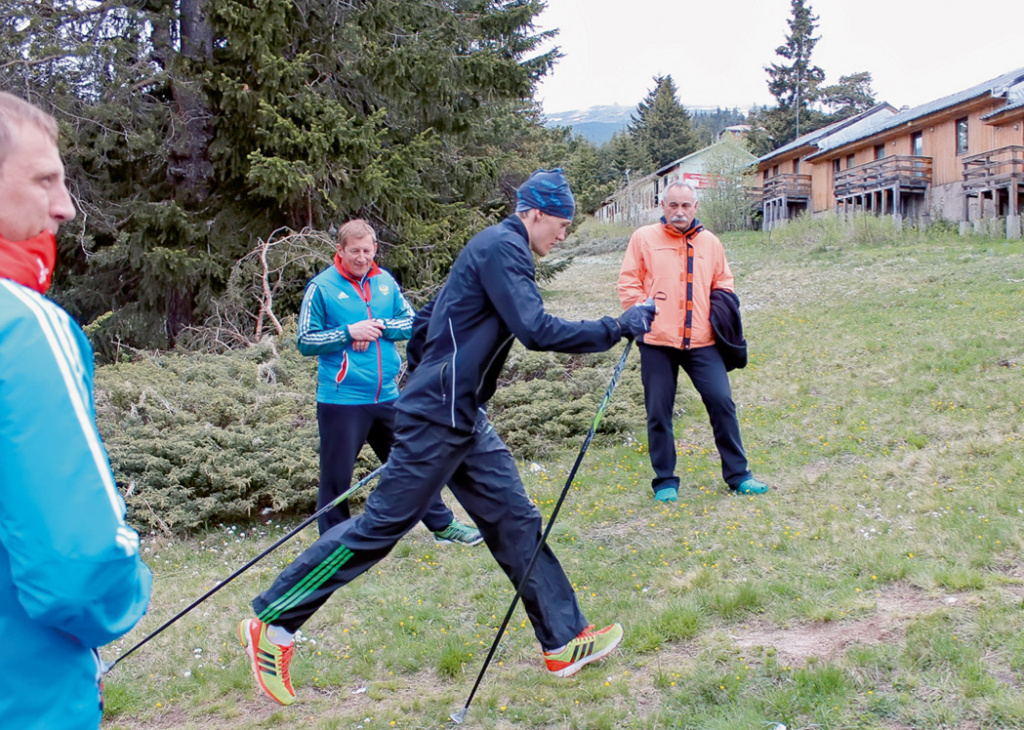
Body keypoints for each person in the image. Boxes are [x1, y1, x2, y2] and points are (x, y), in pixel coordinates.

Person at [238, 169, 657, 705]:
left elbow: (429, 316)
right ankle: (273, 625)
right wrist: (617, 325)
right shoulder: (505, 249)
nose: (563, 235)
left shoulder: (492, 248)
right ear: (533, 213)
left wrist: (425, 371)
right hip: (441, 415)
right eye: (561, 224)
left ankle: (564, 641)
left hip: (461, 415)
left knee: (514, 519)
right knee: (381, 526)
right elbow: (535, 330)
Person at [0, 91, 153, 729]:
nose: (66, 206)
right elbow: (78, 563)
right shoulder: (22, 327)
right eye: (44, 181)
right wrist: (128, 593)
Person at [297, 218, 482, 545]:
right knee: (336, 478)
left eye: (367, 250)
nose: (361, 257)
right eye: (354, 251)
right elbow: (305, 341)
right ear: (339, 251)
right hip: (342, 399)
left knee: (413, 463)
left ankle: (443, 527)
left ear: (375, 249)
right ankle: (332, 542)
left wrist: (376, 326)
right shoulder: (322, 288)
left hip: (387, 396)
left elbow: (411, 323)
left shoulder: (385, 283)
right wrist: (347, 333)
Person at [618, 182, 769, 503]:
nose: (679, 211)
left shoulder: (711, 243)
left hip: (702, 341)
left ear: (695, 207)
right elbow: (629, 282)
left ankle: (739, 475)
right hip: (657, 341)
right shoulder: (643, 238)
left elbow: (724, 282)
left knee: (722, 402)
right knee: (658, 413)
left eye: (686, 205)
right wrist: (637, 314)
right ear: (663, 206)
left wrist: (721, 311)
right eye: (673, 205)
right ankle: (665, 482)